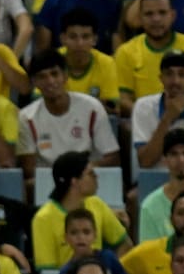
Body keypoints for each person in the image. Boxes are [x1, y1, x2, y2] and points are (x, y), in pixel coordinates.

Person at [17, 49, 120, 179]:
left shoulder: (92, 107)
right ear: (34, 82)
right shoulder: (27, 117)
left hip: (86, 177)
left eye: (54, 74)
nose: (50, 81)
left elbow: (112, 158)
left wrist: (76, 174)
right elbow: (29, 169)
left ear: (65, 76)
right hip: (49, 181)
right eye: (42, 77)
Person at [32, 151, 131, 269]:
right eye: (91, 174)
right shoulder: (43, 219)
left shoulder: (96, 204)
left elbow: (125, 244)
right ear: (74, 181)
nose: (96, 177)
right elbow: (47, 272)